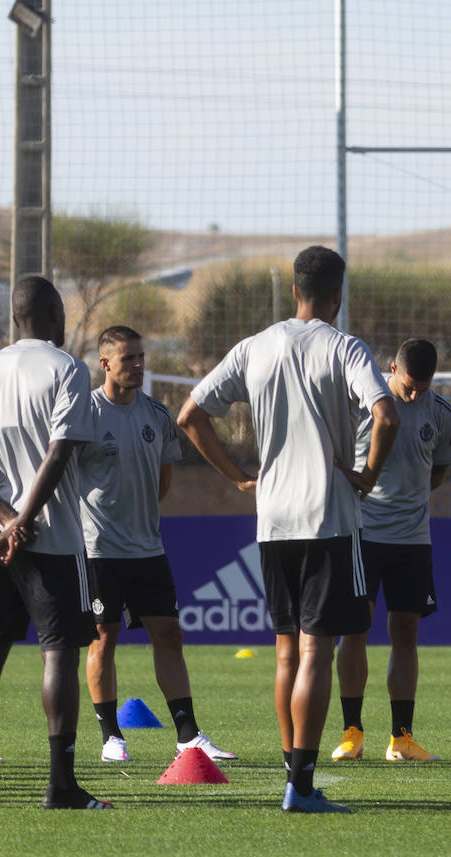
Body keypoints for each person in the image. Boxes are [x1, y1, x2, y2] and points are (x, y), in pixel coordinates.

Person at [178, 245, 399, 814]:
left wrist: (238, 478)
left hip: (273, 519)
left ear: (293, 289)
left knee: (284, 653)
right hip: (328, 517)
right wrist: (368, 475)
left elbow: (190, 415)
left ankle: (290, 770)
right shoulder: (344, 346)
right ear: (336, 294)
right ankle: (300, 786)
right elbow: (386, 413)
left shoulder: (257, 345)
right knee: (316, 653)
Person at [0, 276, 111, 809]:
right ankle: (61, 786)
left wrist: (3, 519)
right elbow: (61, 451)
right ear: (53, 312)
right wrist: (23, 521)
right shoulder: (67, 369)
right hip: (55, 538)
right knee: (60, 654)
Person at [77, 325, 235, 764]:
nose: (139, 366)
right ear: (105, 363)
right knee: (103, 639)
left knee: (169, 634)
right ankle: (111, 736)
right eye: (129, 359)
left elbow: (162, 482)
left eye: (141, 357)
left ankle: (188, 734)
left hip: (147, 548)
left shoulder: (158, 416)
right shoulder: (85, 414)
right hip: (98, 550)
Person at [332, 338, 451, 763]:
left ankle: (401, 738)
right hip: (362, 533)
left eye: (424, 385)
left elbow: (437, 473)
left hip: (412, 540)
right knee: (355, 630)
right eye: (409, 384)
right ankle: (352, 733)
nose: (416, 393)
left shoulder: (441, 414)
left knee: (406, 633)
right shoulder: (362, 405)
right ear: (391, 369)